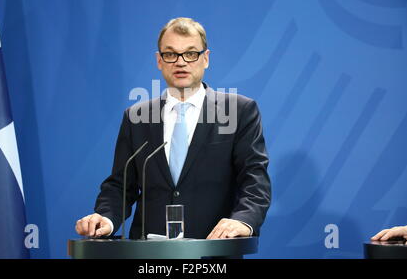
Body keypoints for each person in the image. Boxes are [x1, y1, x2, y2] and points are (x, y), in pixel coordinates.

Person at [75, 17, 271, 240]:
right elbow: (120, 185)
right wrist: (105, 218)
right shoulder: (137, 117)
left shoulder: (239, 111)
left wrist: (243, 220)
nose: (181, 62)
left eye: (190, 53)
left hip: (213, 251)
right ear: (159, 61)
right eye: (170, 54)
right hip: (148, 255)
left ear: (205, 59)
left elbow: (255, 180)